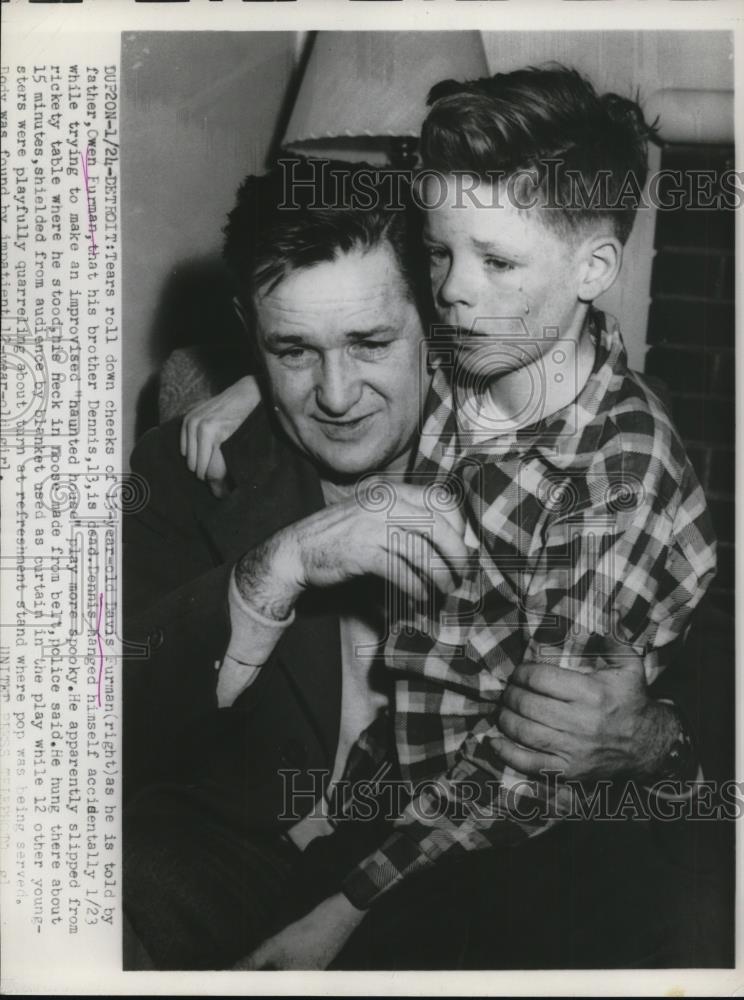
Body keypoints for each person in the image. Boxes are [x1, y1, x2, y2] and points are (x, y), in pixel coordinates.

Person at [124, 155, 724, 972]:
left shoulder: (566, 455)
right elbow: (98, 722)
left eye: (371, 342)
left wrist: (652, 736)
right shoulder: (187, 468)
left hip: (465, 861)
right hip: (236, 855)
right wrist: (280, 564)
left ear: (436, 321)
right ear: (249, 332)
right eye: (294, 350)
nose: (336, 396)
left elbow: (702, 688)